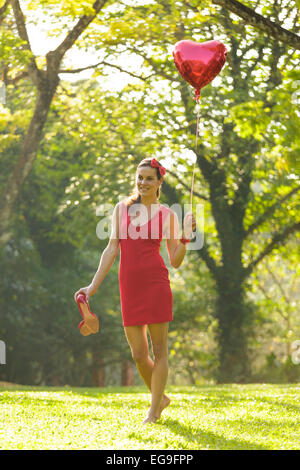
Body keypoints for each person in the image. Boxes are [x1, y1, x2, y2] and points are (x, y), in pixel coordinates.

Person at [74, 157, 196, 424]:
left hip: (157, 285)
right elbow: (111, 249)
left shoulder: (167, 215)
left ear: (159, 182)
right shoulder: (122, 209)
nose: (143, 183)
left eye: (149, 178)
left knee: (160, 351)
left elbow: (175, 260)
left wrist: (186, 237)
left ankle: (154, 411)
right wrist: (92, 286)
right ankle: (160, 396)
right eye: (140, 177)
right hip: (129, 287)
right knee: (139, 354)